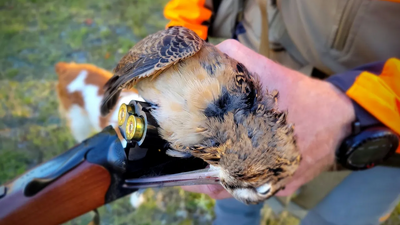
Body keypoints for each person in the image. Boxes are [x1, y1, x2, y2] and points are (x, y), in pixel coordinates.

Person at [163, 0, 400, 224]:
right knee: (230, 193)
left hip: (382, 135)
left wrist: (360, 109)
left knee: (339, 218)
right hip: (257, 50)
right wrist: (182, 39)